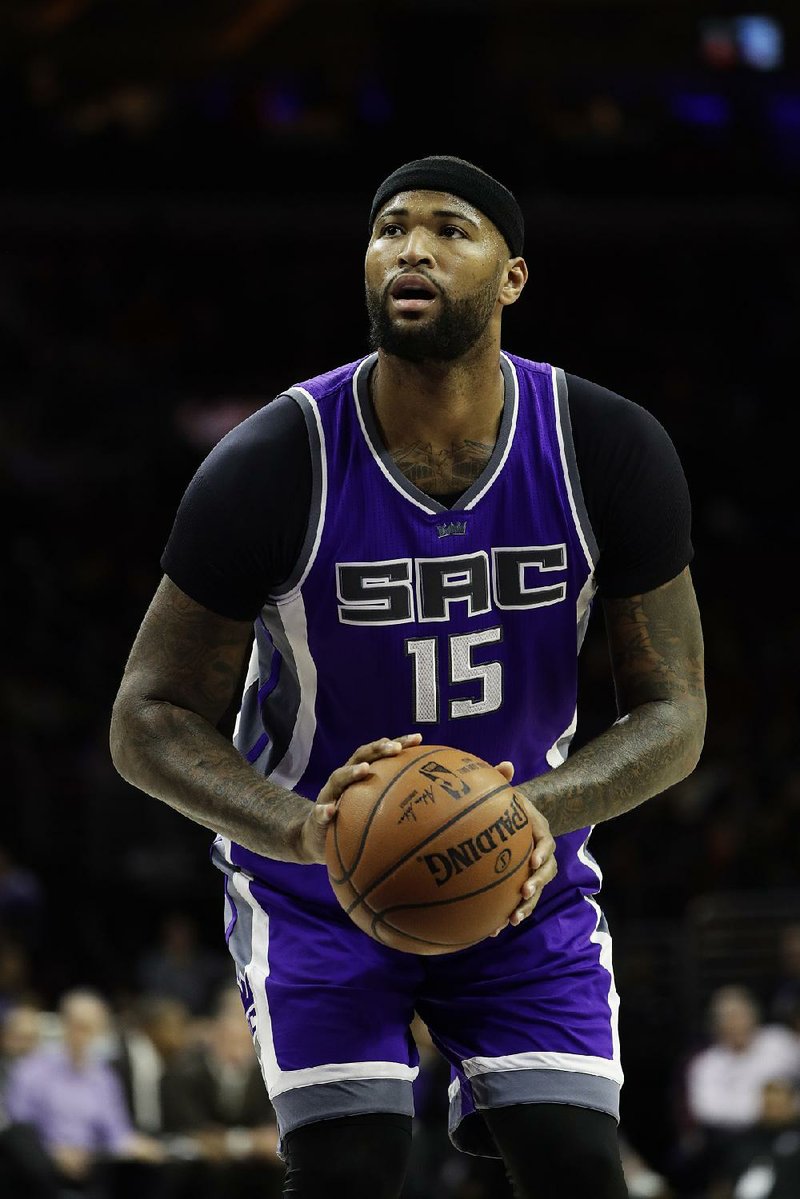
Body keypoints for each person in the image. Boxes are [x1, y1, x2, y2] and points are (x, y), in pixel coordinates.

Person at [109, 155, 706, 1198]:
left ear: (510, 277)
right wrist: (302, 827)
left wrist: (530, 810)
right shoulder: (277, 458)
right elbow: (146, 716)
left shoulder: (603, 446)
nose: (410, 248)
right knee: (350, 1167)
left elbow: (674, 710)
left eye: (447, 228)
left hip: (520, 868)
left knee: (575, 1164)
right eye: (389, 229)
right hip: (312, 881)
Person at [4, 988, 164, 1193]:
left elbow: (115, 1132)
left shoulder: (105, 1078)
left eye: (95, 1029)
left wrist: (140, 1146)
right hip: (43, 1166)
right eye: (81, 1027)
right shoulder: (32, 1070)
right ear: (66, 1025)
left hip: (92, 1164)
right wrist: (54, 1154)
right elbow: (19, 1128)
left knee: (153, 1169)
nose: (87, 1036)